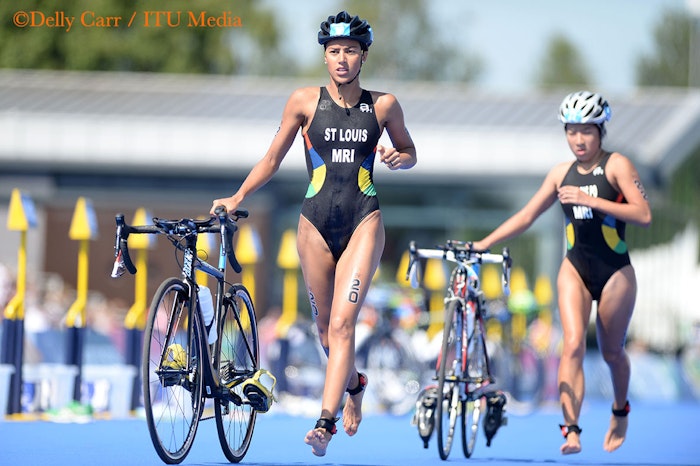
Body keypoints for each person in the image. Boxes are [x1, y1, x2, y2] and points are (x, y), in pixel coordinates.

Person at [210, 10, 417, 457]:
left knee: (343, 325)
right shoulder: (304, 101)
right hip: (314, 226)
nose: (342, 58)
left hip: (364, 221)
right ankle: (355, 384)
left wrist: (400, 158)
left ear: (363, 56)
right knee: (325, 332)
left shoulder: (384, 105)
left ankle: (324, 423)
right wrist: (238, 195)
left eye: (351, 51)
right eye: (334, 51)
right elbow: (272, 159)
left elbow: (409, 150)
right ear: (325, 57)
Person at [471, 90, 651, 455]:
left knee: (612, 352)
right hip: (575, 268)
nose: (578, 139)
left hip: (615, 271)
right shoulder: (560, 174)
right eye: (571, 131)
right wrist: (485, 243)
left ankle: (620, 410)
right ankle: (571, 430)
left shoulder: (616, 165)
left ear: (600, 131)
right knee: (571, 345)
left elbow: (644, 215)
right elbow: (527, 216)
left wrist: (591, 200)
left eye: (586, 131)